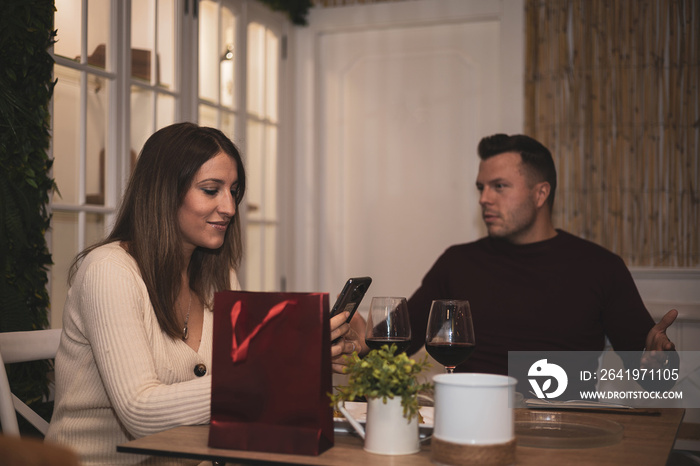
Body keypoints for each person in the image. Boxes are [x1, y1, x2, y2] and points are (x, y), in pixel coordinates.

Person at [45, 122, 360, 465]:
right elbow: (140, 412)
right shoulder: (109, 270)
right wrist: (280, 366)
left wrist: (307, 364)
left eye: (233, 191)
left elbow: (243, 397)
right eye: (211, 190)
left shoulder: (217, 276)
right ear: (164, 193)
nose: (230, 207)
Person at [404, 134, 677, 388]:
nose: (484, 199)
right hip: (473, 424)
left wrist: (661, 362)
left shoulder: (599, 267)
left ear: (540, 194)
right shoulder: (458, 263)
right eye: (481, 188)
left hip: (563, 430)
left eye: (499, 186)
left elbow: (656, 378)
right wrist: (362, 340)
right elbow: (400, 339)